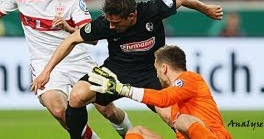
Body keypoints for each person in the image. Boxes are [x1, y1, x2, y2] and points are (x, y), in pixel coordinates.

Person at [0, 0, 132, 138]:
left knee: (107, 109)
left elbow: (92, 39)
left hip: (76, 58)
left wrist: (68, 27)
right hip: (43, 62)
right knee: (59, 110)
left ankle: (131, 134)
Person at [30, 0, 223, 138]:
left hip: (152, 74)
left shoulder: (152, 10)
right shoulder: (105, 23)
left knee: (172, 118)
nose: (111, 26)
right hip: (115, 73)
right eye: (109, 22)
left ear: (132, 16)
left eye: (116, 23)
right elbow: (70, 40)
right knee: (77, 96)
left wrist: (206, 9)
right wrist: (47, 71)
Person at [88, 45, 232, 139]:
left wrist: (122, 89)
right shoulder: (177, 96)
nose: (156, 75)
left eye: (156, 70)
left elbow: (163, 98)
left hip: (216, 136)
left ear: (164, 68)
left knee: (183, 120)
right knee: (136, 132)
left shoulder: (190, 78)